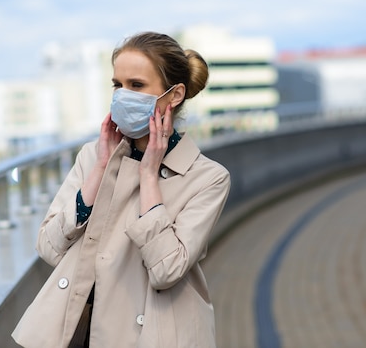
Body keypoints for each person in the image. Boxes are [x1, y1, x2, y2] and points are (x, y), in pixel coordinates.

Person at [12, 31, 231, 348]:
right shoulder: (92, 157)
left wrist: (149, 177)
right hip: (82, 330)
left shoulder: (207, 178)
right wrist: (100, 169)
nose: (123, 96)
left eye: (137, 85)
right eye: (118, 85)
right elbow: (48, 247)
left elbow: (167, 270)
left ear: (174, 94)